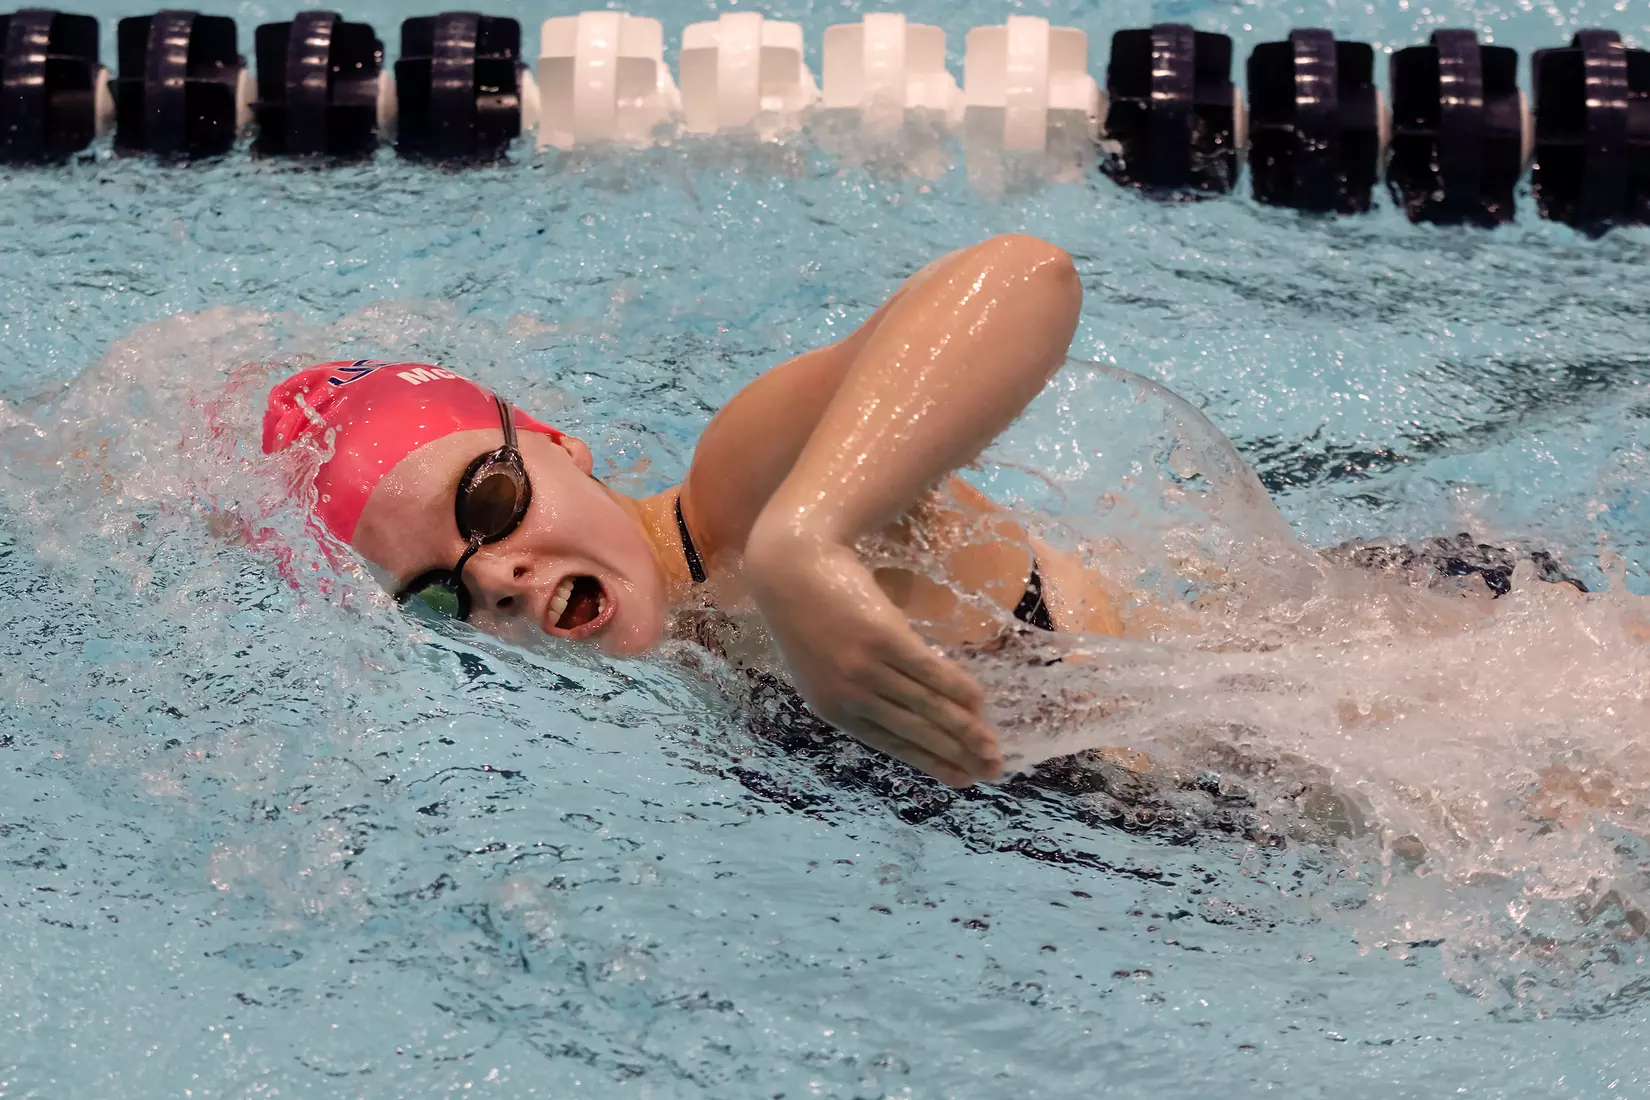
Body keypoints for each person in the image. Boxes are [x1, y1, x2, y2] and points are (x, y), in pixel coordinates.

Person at [259, 233, 1602, 792]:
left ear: (555, 442)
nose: (495, 574)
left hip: (1425, 676)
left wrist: (809, 537)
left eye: (488, 501)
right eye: (443, 591)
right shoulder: (692, 649)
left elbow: (1017, 275)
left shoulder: (741, 496)